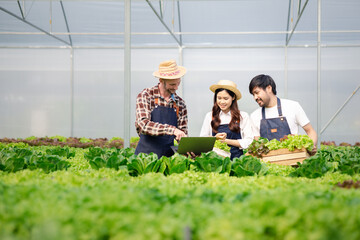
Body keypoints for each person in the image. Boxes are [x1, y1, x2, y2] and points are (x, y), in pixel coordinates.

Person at [135, 60, 188, 158]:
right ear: (161, 80)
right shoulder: (146, 96)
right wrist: (172, 130)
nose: (176, 88)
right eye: (172, 84)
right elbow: (143, 125)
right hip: (145, 158)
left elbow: (182, 133)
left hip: (168, 159)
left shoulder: (180, 103)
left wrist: (187, 148)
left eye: (178, 83)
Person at [249, 74, 318, 148]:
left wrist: (312, 146)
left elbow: (310, 131)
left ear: (269, 88)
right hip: (268, 159)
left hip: (293, 158)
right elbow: (258, 143)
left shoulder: (293, 106)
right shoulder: (254, 116)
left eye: (257, 92)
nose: (255, 97)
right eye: (253, 94)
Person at [200, 80, 254, 160]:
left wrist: (225, 141)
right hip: (216, 161)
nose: (222, 102)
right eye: (219, 98)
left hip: (237, 161)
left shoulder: (242, 116)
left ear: (233, 97)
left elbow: (249, 141)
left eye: (225, 98)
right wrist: (215, 139)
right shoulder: (210, 116)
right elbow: (202, 140)